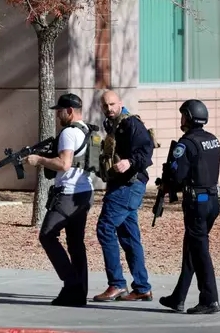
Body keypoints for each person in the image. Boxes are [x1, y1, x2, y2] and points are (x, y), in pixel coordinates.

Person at [24, 93, 96, 307]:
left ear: (70, 111)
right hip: (85, 193)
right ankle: (78, 293)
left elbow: (64, 164)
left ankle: (72, 284)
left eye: (59, 111)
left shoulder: (69, 133)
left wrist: (39, 160)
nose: (57, 115)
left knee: (47, 235)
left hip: (69, 193)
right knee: (75, 243)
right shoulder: (87, 130)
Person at [158, 99, 220, 314]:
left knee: (200, 250)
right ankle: (178, 297)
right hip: (213, 201)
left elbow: (178, 176)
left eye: (183, 115)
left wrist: (168, 180)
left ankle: (209, 299)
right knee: (193, 249)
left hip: (197, 203)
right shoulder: (213, 140)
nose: (181, 119)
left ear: (189, 116)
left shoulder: (186, 143)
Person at [93, 90, 154, 302]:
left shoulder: (131, 124)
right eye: (105, 106)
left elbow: (146, 151)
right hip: (121, 185)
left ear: (120, 103)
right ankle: (142, 287)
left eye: (112, 104)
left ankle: (117, 284)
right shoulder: (112, 123)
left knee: (105, 228)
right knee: (129, 236)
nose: (109, 109)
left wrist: (129, 162)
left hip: (129, 185)